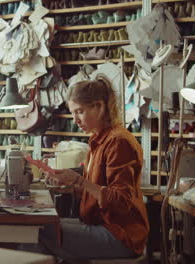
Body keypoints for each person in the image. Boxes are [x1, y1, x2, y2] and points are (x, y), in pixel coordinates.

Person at [33, 76, 149, 261]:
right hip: (101, 224)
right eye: (73, 113)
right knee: (39, 226)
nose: (75, 120)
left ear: (100, 107)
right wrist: (68, 184)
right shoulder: (98, 140)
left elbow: (121, 201)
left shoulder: (118, 142)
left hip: (120, 235)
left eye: (80, 111)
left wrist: (78, 180)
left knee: (37, 233)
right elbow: (95, 189)